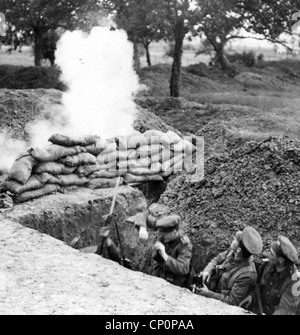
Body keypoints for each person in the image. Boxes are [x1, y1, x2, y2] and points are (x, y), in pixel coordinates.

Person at [196, 227, 263, 307]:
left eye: (235, 240)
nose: (233, 239)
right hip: (216, 290)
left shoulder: (247, 275)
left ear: (238, 249)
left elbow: (232, 301)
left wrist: (208, 294)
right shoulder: (233, 250)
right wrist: (207, 271)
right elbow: (217, 258)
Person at [132, 212, 193, 288]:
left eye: (164, 235)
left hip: (172, 283)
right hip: (157, 275)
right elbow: (141, 214)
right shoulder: (161, 225)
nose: (161, 236)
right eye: (160, 233)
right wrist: (142, 228)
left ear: (174, 232)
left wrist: (164, 255)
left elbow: (184, 269)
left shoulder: (184, 245)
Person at [254, 236, 300, 315]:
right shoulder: (267, 266)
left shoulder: (295, 282)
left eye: (271, 254)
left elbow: (285, 310)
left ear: (281, 260)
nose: (268, 255)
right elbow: (256, 287)